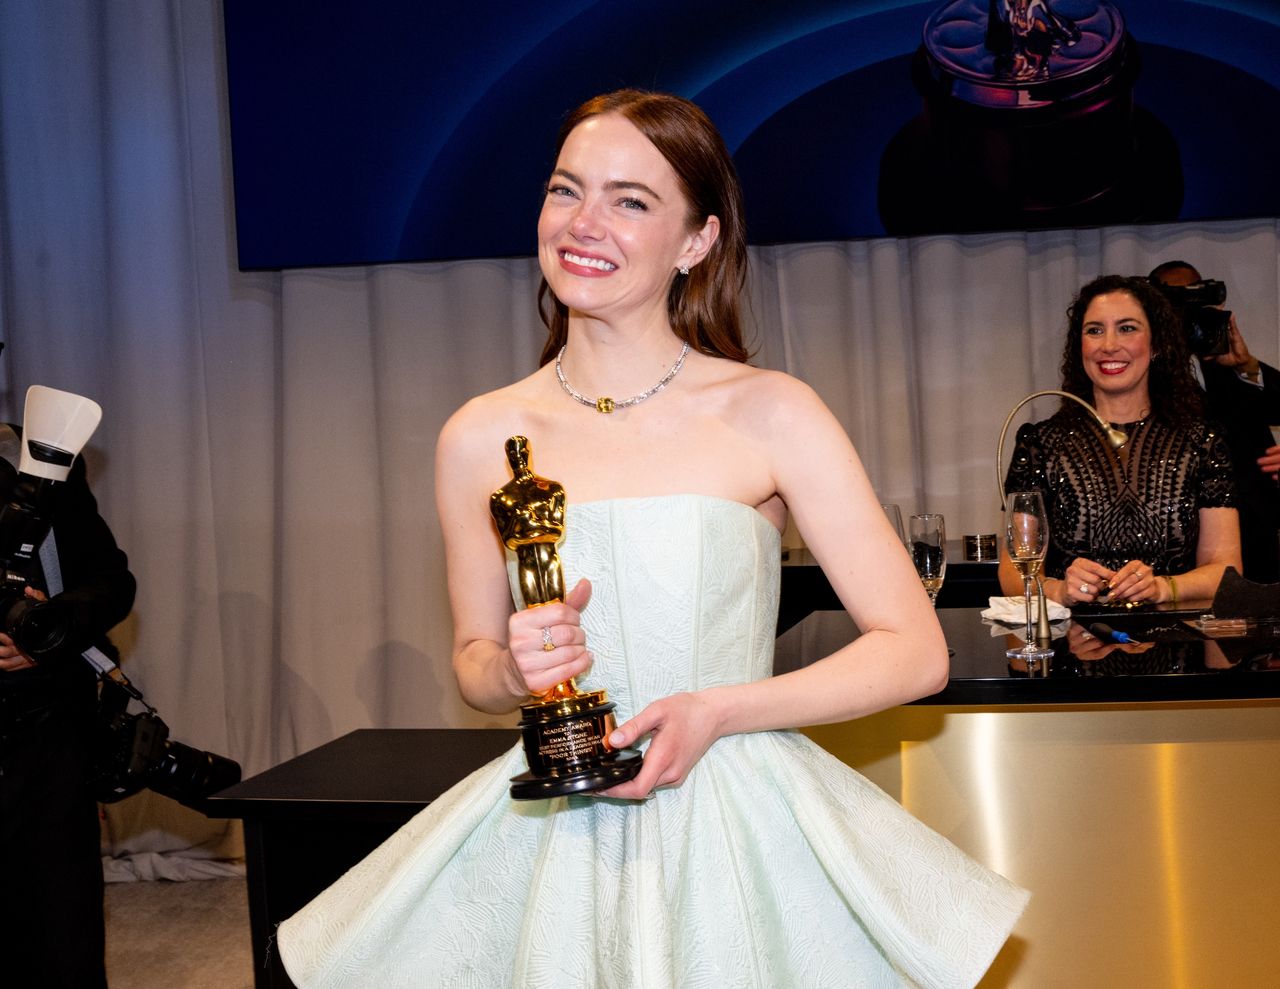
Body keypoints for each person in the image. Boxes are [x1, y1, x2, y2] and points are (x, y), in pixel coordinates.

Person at [278, 90, 1028, 987]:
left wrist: (717, 709)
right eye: (567, 190)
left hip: (734, 814)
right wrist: (518, 671)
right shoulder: (479, 435)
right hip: (555, 824)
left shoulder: (770, 410)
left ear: (697, 240)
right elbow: (476, 665)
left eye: (631, 201)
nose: (584, 223)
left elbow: (914, 653)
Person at [999, 274, 1242, 607]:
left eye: (1127, 328)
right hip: (1071, 650)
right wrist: (1059, 590)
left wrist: (1162, 587)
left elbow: (1225, 570)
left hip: (1176, 648)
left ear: (1156, 345)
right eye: (1094, 330)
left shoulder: (1202, 443)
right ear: (1079, 346)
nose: (1109, 345)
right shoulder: (1040, 444)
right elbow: (1014, 572)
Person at [0, 421, 136, 988]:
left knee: (64, 938)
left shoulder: (37, 459)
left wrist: (54, 630)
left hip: (49, 741)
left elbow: (112, 580)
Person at [1148, 260, 1280, 583]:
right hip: (1183, 549)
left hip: (1256, 538)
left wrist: (1246, 365)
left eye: (1196, 302)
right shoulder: (1140, 376)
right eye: (1175, 305)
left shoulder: (1229, 365)